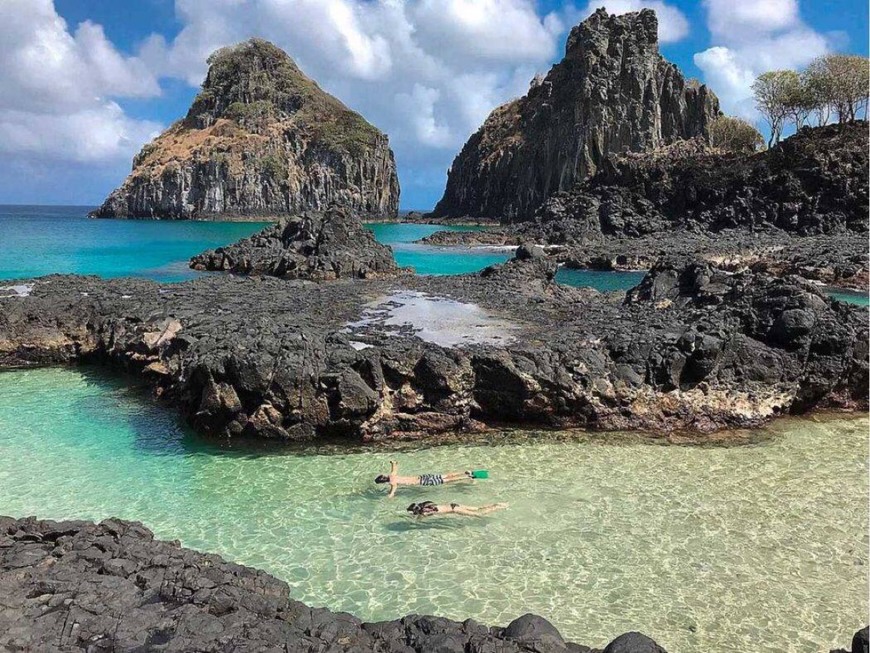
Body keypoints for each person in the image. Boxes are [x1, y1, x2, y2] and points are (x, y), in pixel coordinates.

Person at [375, 460, 479, 498]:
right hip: (423, 476)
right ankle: (464, 472)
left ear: (383, 482)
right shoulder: (392, 475)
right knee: (445, 475)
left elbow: (393, 492)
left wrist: (389, 496)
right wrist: (393, 462)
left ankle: (466, 477)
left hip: (423, 481)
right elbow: (395, 466)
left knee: (446, 481)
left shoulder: (393, 482)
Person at [406, 501, 508, 517]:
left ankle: (497, 507)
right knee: (478, 508)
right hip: (454, 504)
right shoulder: (429, 505)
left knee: (479, 515)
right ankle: (497, 504)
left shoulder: (425, 512)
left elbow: (420, 519)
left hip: (455, 510)